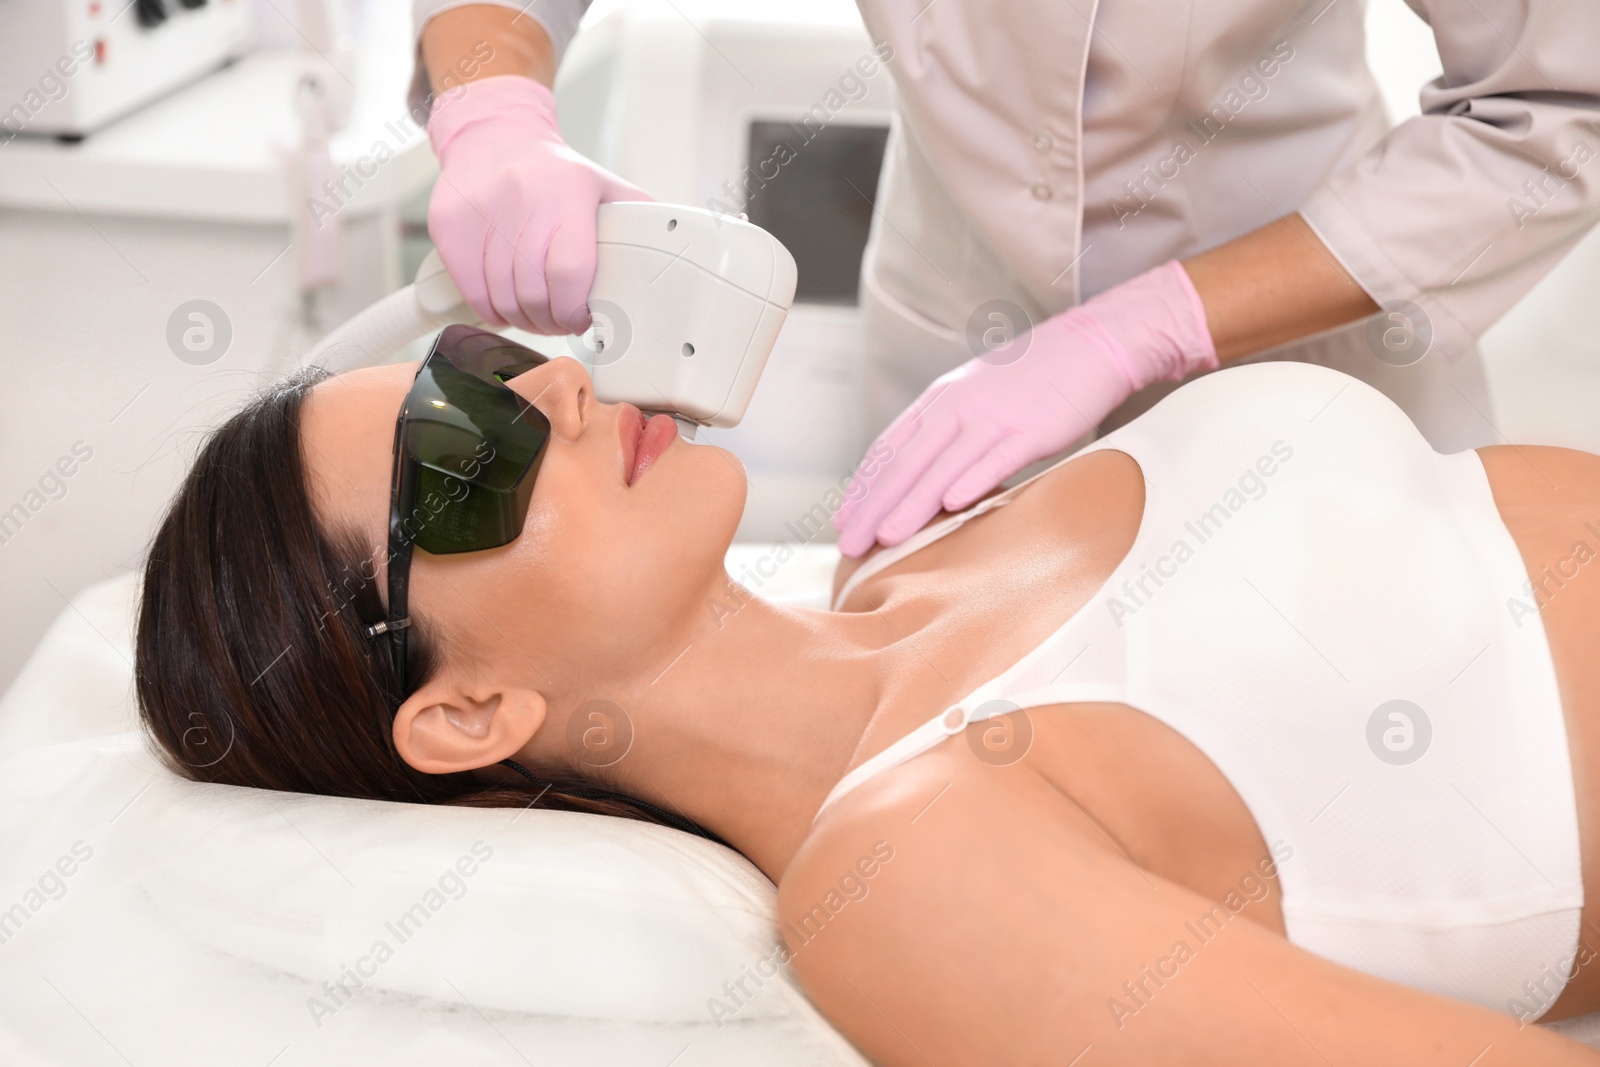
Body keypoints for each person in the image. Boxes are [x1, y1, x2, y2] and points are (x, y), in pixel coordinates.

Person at [137, 337, 1600, 1064]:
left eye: (481, 364)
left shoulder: (906, 542)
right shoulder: (902, 872)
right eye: (459, 455)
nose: (560, 383)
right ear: (468, 712)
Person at [406, 1, 1600, 558]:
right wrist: (492, 99)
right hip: (955, 318)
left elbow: (1556, 103)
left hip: (1309, 319)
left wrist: (1148, 326)